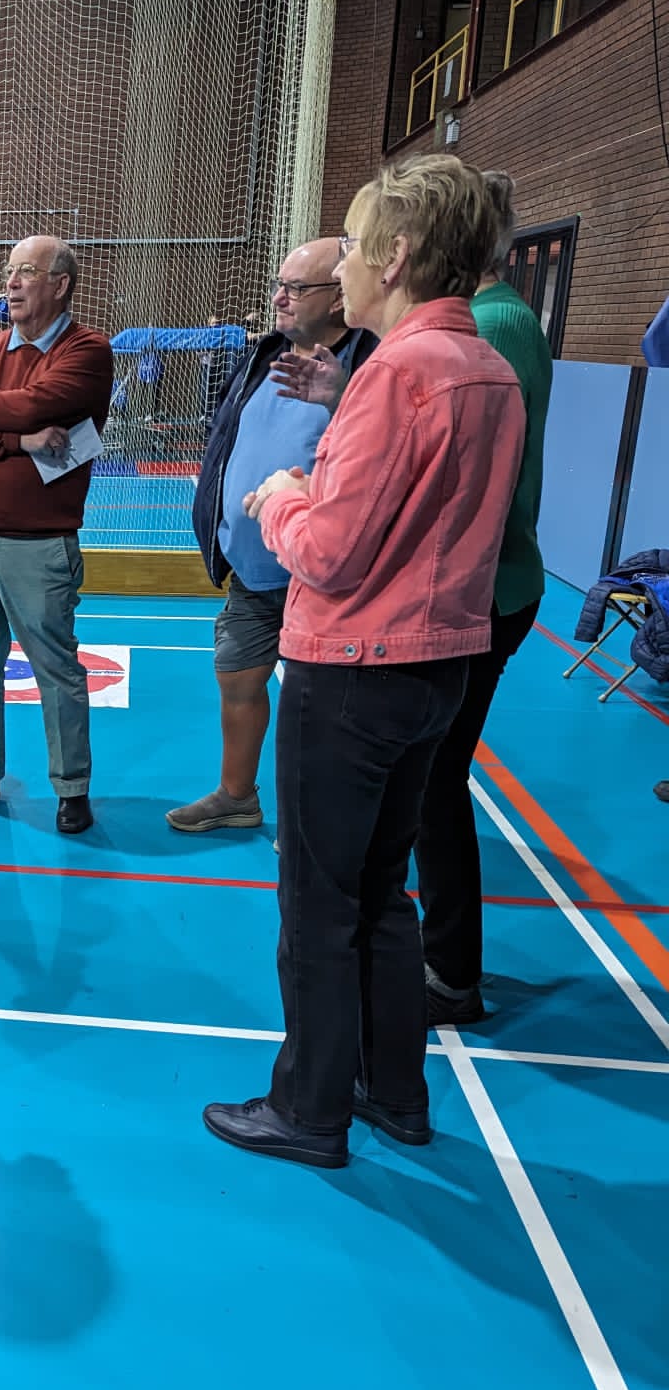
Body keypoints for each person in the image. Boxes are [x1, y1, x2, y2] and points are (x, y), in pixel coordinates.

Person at [203, 154, 526, 1168]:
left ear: (395, 254)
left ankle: (307, 1107)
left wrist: (284, 493)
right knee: (384, 893)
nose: (337, 267)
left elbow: (333, 550)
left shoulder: (398, 374)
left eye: (347, 244)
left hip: (354, 667)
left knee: (318, 904)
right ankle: (394, 1089)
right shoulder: (488, 368)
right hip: (440, 666)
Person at [167, 240, 376, 833]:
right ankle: (237, 796)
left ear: (339, 297)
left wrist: (340, 397)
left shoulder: (368, 365)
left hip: (322, 576)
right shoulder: (264, 355)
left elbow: (376, 456)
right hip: (254, 568)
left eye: (297, 287)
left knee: (320, 708)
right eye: (279, 283)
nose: (280, 297)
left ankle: (313, 823)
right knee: (236, 677)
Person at [413, 171, 553, 1023]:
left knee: (432, 780)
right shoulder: (503, 322)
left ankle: (448, 974)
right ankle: (444, 962)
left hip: (480, 592)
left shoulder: (489, 326)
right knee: (433, 777)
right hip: (492, 586)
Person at [0, 236, 114, 835]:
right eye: (9, 272)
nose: (10, 283)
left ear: (60, 284)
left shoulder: (87, 350)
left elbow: (39, 403)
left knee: (56, 669)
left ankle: (72, 787)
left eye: (26, 273)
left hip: (41, 546)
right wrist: (21, 442)